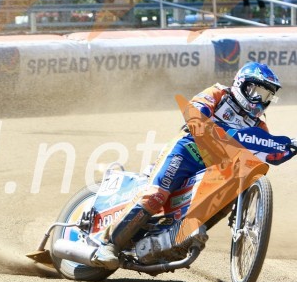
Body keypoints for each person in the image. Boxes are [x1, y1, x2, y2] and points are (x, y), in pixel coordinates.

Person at [93, 62, 296, 268]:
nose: (259, 100)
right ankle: (108, 245)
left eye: (266, 96)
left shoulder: (259, 126)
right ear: (241, 85)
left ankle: (176, 237)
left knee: (224, 199)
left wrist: (289, 147)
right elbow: (195, 114)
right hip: (186, 152)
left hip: (211, 170)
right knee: (156, 195)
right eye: (256, 92)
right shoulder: (218, 94)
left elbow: (271, 154)